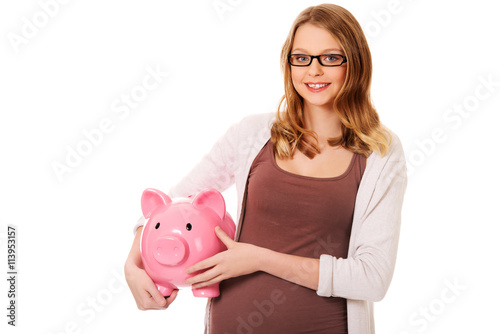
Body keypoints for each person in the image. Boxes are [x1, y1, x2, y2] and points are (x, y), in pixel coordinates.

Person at [125, 3, 407, 333]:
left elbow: (372, 277)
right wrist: (133, 264)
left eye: (330, 58)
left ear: (355, 64)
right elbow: (172, 204)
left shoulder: (380, 153)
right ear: (288, 64)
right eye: (301, 58)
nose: (313, 71)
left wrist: (259, 258)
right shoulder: (251, 134)